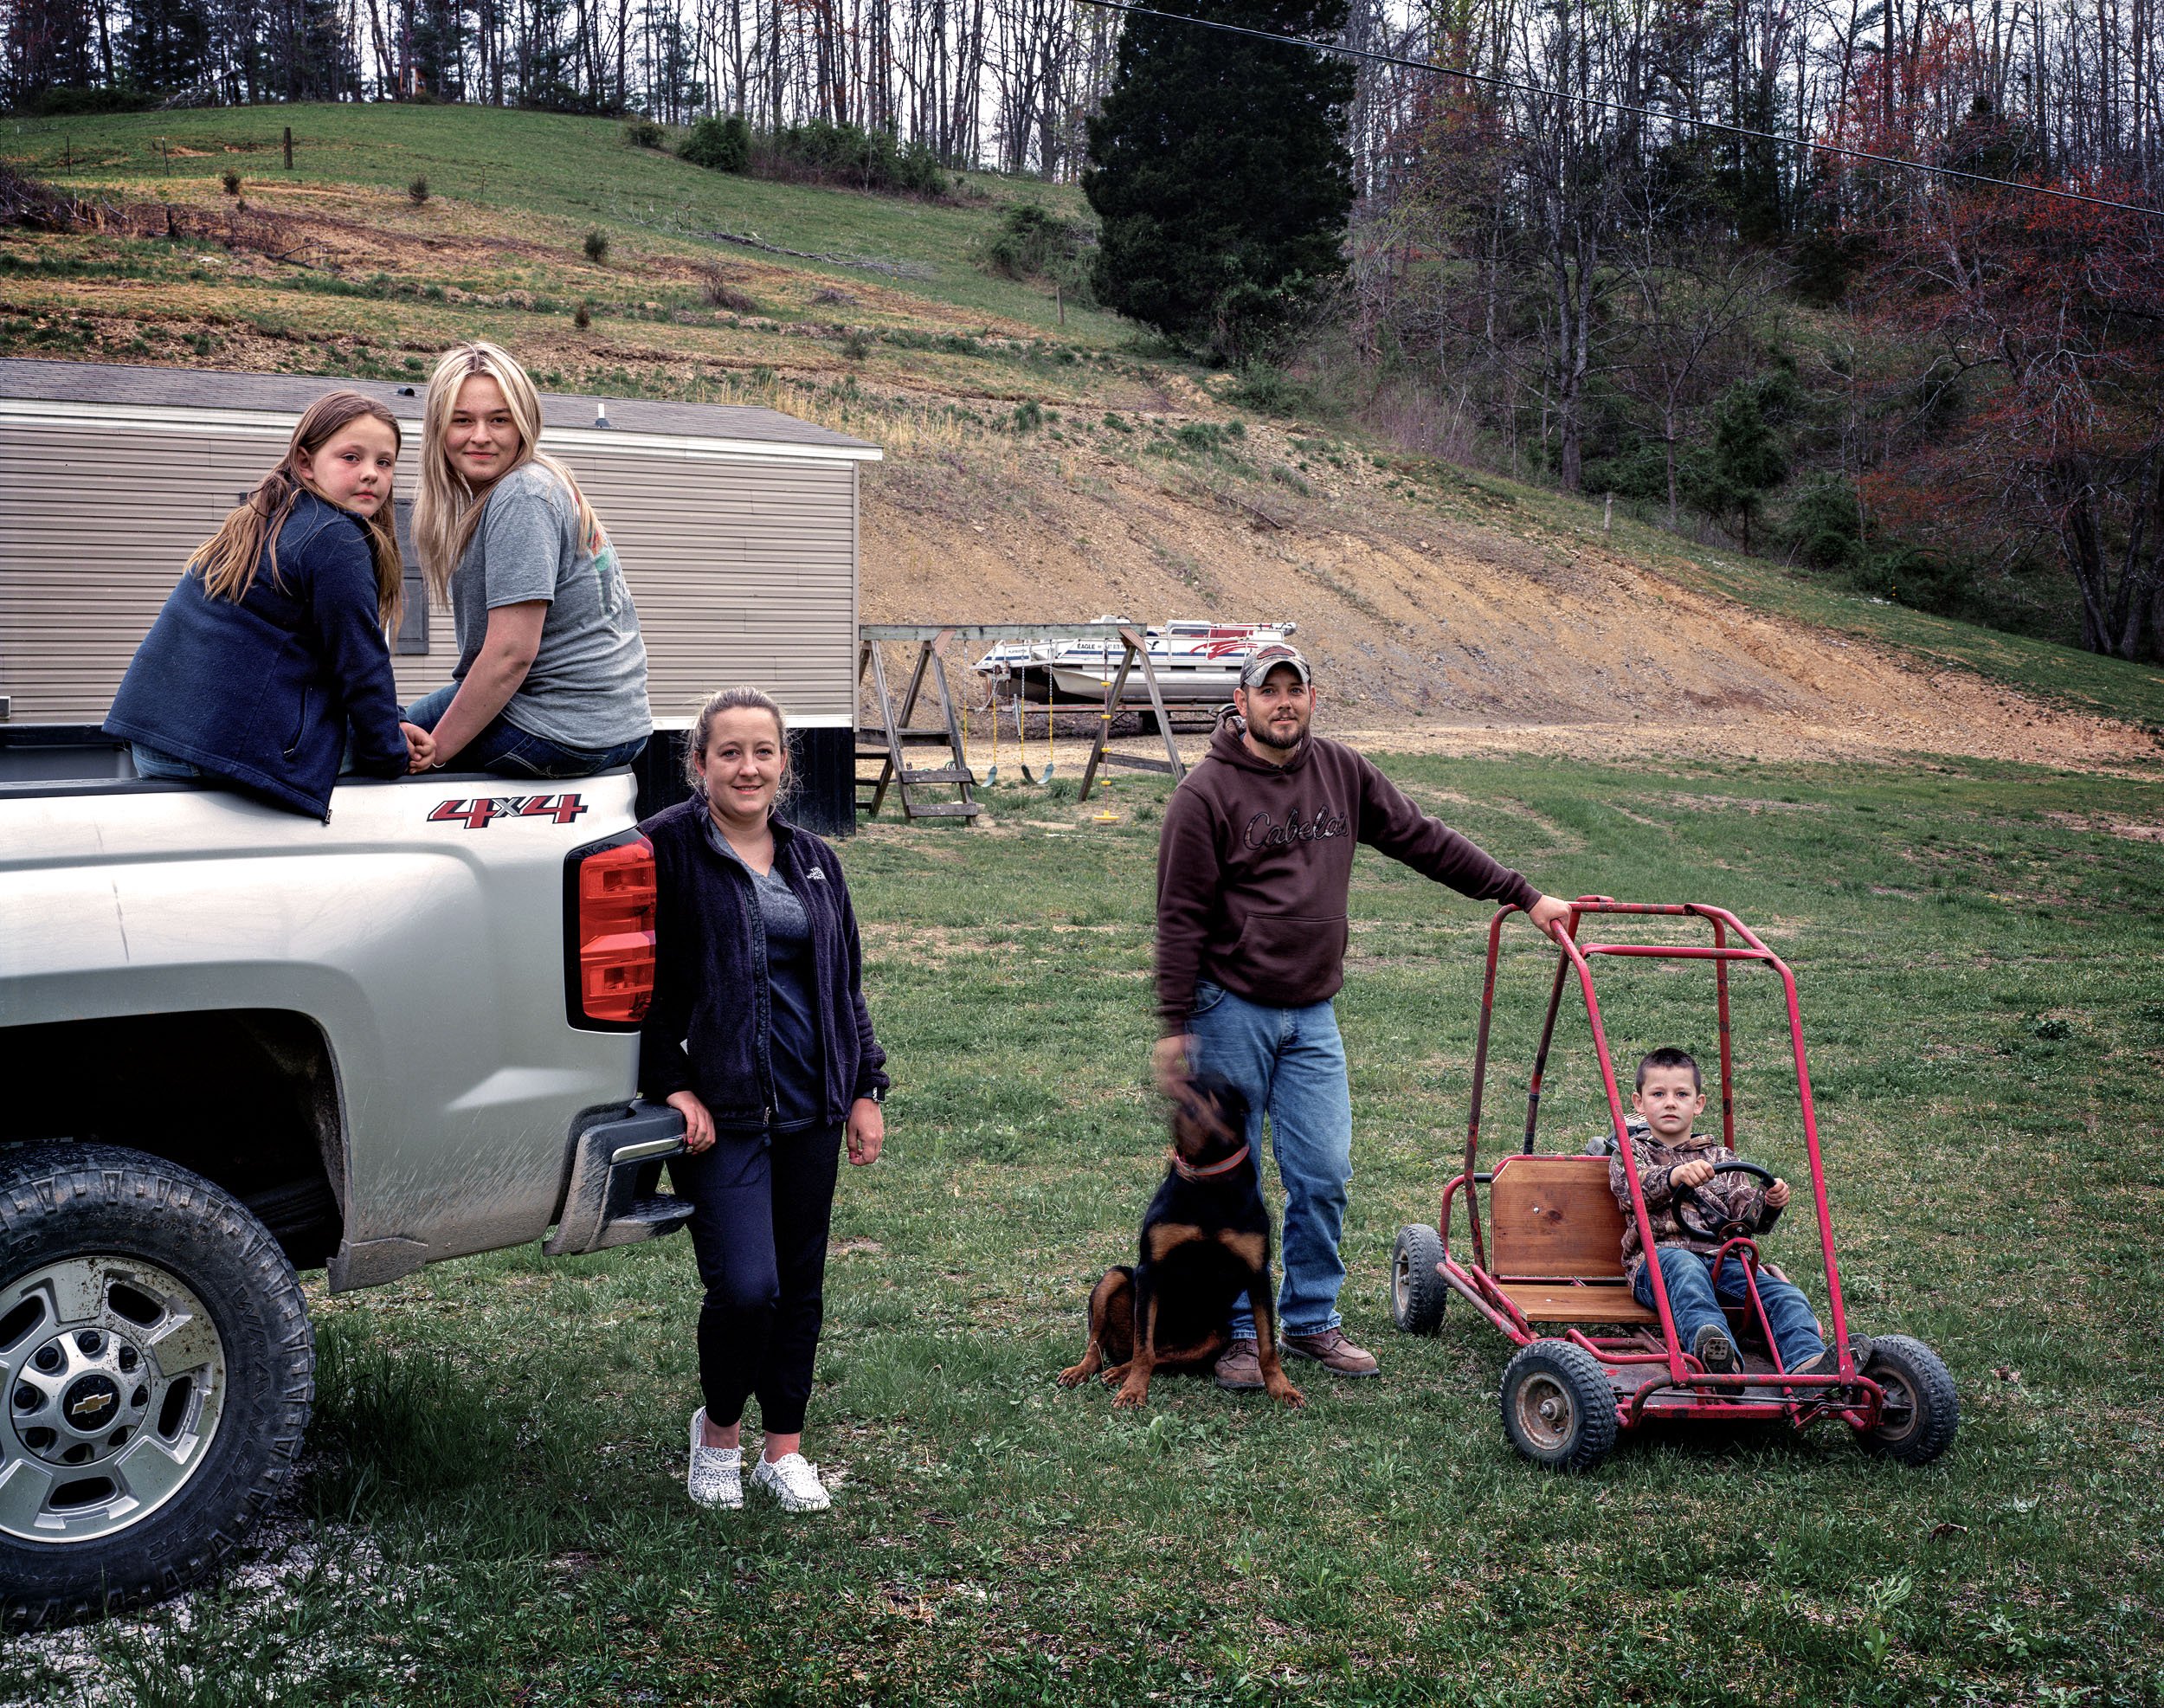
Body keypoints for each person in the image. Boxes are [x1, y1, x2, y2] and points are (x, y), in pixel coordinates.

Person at [1153, 644, 1575, 1390]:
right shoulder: (1205, 795)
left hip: (1311, 1011)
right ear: (1242, 702)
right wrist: (1175, 1021)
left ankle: (1311, 1319)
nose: (1283, 702)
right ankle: (1241, 1335)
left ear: (1312, 697)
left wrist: (1522, 893)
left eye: (1296, 689)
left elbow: (1424, 838)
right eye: (1268, 691)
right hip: (1230, 1006)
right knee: (1228, 1178)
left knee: (1325, 1169)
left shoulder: (1342, 773)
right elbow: (1179, 917)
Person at [639, 686, 888, 1512]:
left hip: (814, 1107)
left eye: (764, 752)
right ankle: (717, 1433)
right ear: (699, 763)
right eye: (730, 752)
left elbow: (843, 985)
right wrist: (669, 1083)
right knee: (748, 1287)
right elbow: (635, 990)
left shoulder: (815, 858)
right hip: (724, 1115)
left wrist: (864, 1087)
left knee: (801, 1287)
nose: (748, 767)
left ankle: (784, 1448)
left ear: (785, 763)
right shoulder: (663, 850)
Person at [105, 390, 435, 819]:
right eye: (351, 457)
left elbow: (345, 656)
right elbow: (360, 663)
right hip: (214, 750)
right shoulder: (335, 536)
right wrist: (393, 758)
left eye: (384, 462)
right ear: (304, 463)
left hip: (158, 740)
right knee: (435, 733)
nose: (371, 474)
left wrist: (394, 718)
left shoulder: (269, 516)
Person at [406, 342, 651, 777]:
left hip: (557, 727)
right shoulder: (541, 484)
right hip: (611, 724)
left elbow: (510, 655)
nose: (480, 435)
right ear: (439, 429)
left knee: (361, 745)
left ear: (523, 425)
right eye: (462, 420)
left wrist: (435, 752)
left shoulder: (523, 495)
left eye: (499, 419)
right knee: (394, 723)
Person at [1610, 1047, 1858, 1380]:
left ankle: (1807, 1367)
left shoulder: (1720, 1157)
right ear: (1639, 1103)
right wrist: (1674, 1177)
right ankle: (1716, 1354)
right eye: (1658, 1094)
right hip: (1656, 1264)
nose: (1670, 1102)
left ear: (1698, 1104)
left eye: (1681, 1094)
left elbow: (1747, 1217)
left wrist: (1768, 1202)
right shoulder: (1631, 1153)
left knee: (1783, 1294)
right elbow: (1631, 1191)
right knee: (1686, 1270)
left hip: (1722, 1262)